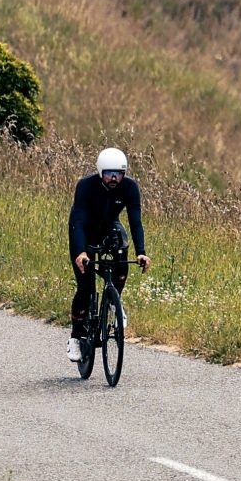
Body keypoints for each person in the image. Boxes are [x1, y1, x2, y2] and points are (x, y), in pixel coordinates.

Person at [68, 146, 147, 361]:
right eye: (109, 173)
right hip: (83, 231)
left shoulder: (130, 188)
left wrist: (141, 252)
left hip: (109, 227)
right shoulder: (86, 186)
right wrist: (81, 252)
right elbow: (79, 221)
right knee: (86, 287)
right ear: (100, 171)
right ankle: (76, 336)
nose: (114, 178)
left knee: (122, 256)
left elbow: (135, 221)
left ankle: (114, 301)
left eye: (119, 174)